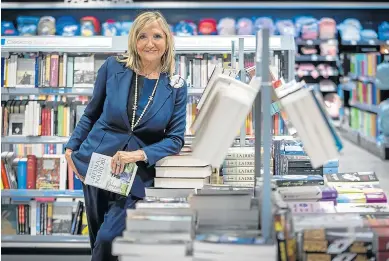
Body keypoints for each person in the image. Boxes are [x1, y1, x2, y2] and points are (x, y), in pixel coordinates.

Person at [64, 11, 187, 261]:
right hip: (96, 162)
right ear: (133, 40)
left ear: (167, 41)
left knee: (110, 238)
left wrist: (138, 154)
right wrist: (70, 149)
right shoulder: (113, 67)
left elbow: (175, 139)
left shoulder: (175, 85)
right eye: (142, 36)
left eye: (156, 36)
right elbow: (91, 112)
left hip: (136, 174)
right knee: (99, 239)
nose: (149, 43)